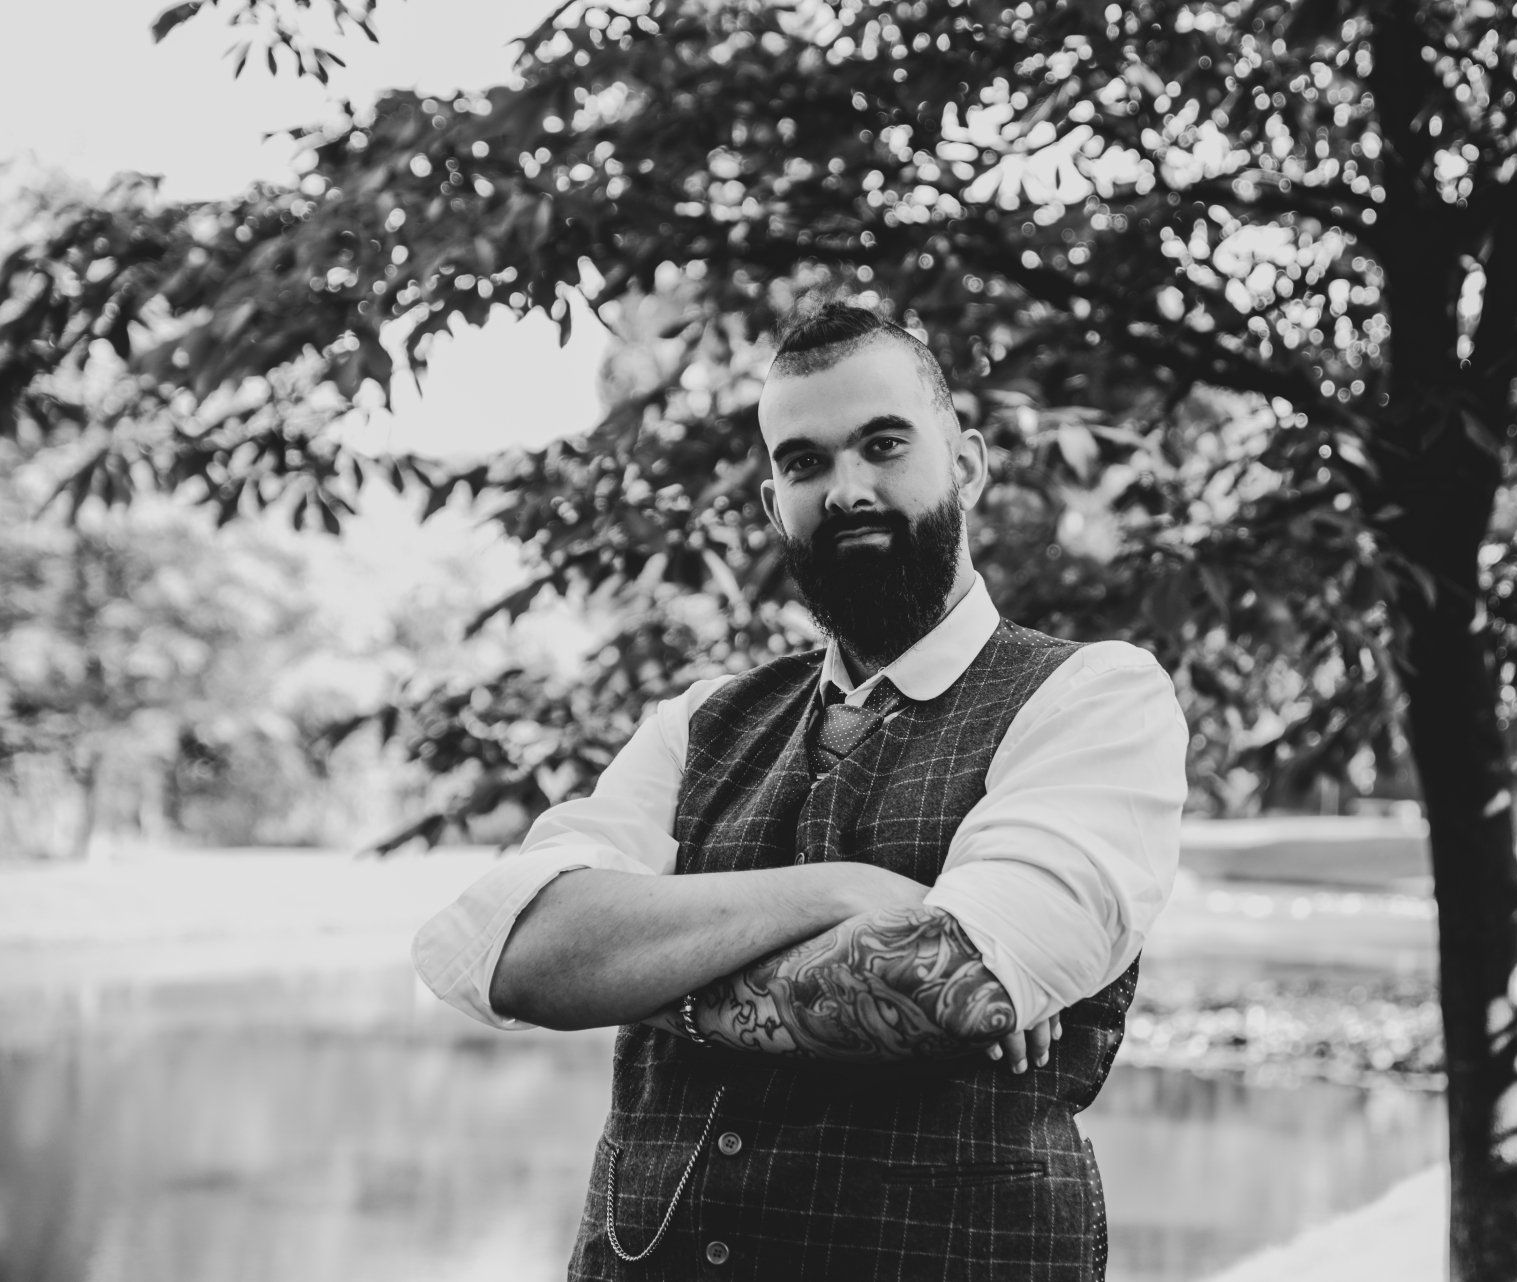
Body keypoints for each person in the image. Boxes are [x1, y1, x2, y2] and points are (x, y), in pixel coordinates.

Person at [412, 302, 1187, 1280]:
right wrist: (842, 891)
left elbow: (946, 984)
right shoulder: (700, 721)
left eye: (884, 445)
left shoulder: (1093, 696)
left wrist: (646, 977)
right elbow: (509, 952)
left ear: (968, 465)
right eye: (805, 462)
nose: (846, 489)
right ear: (775, 500)